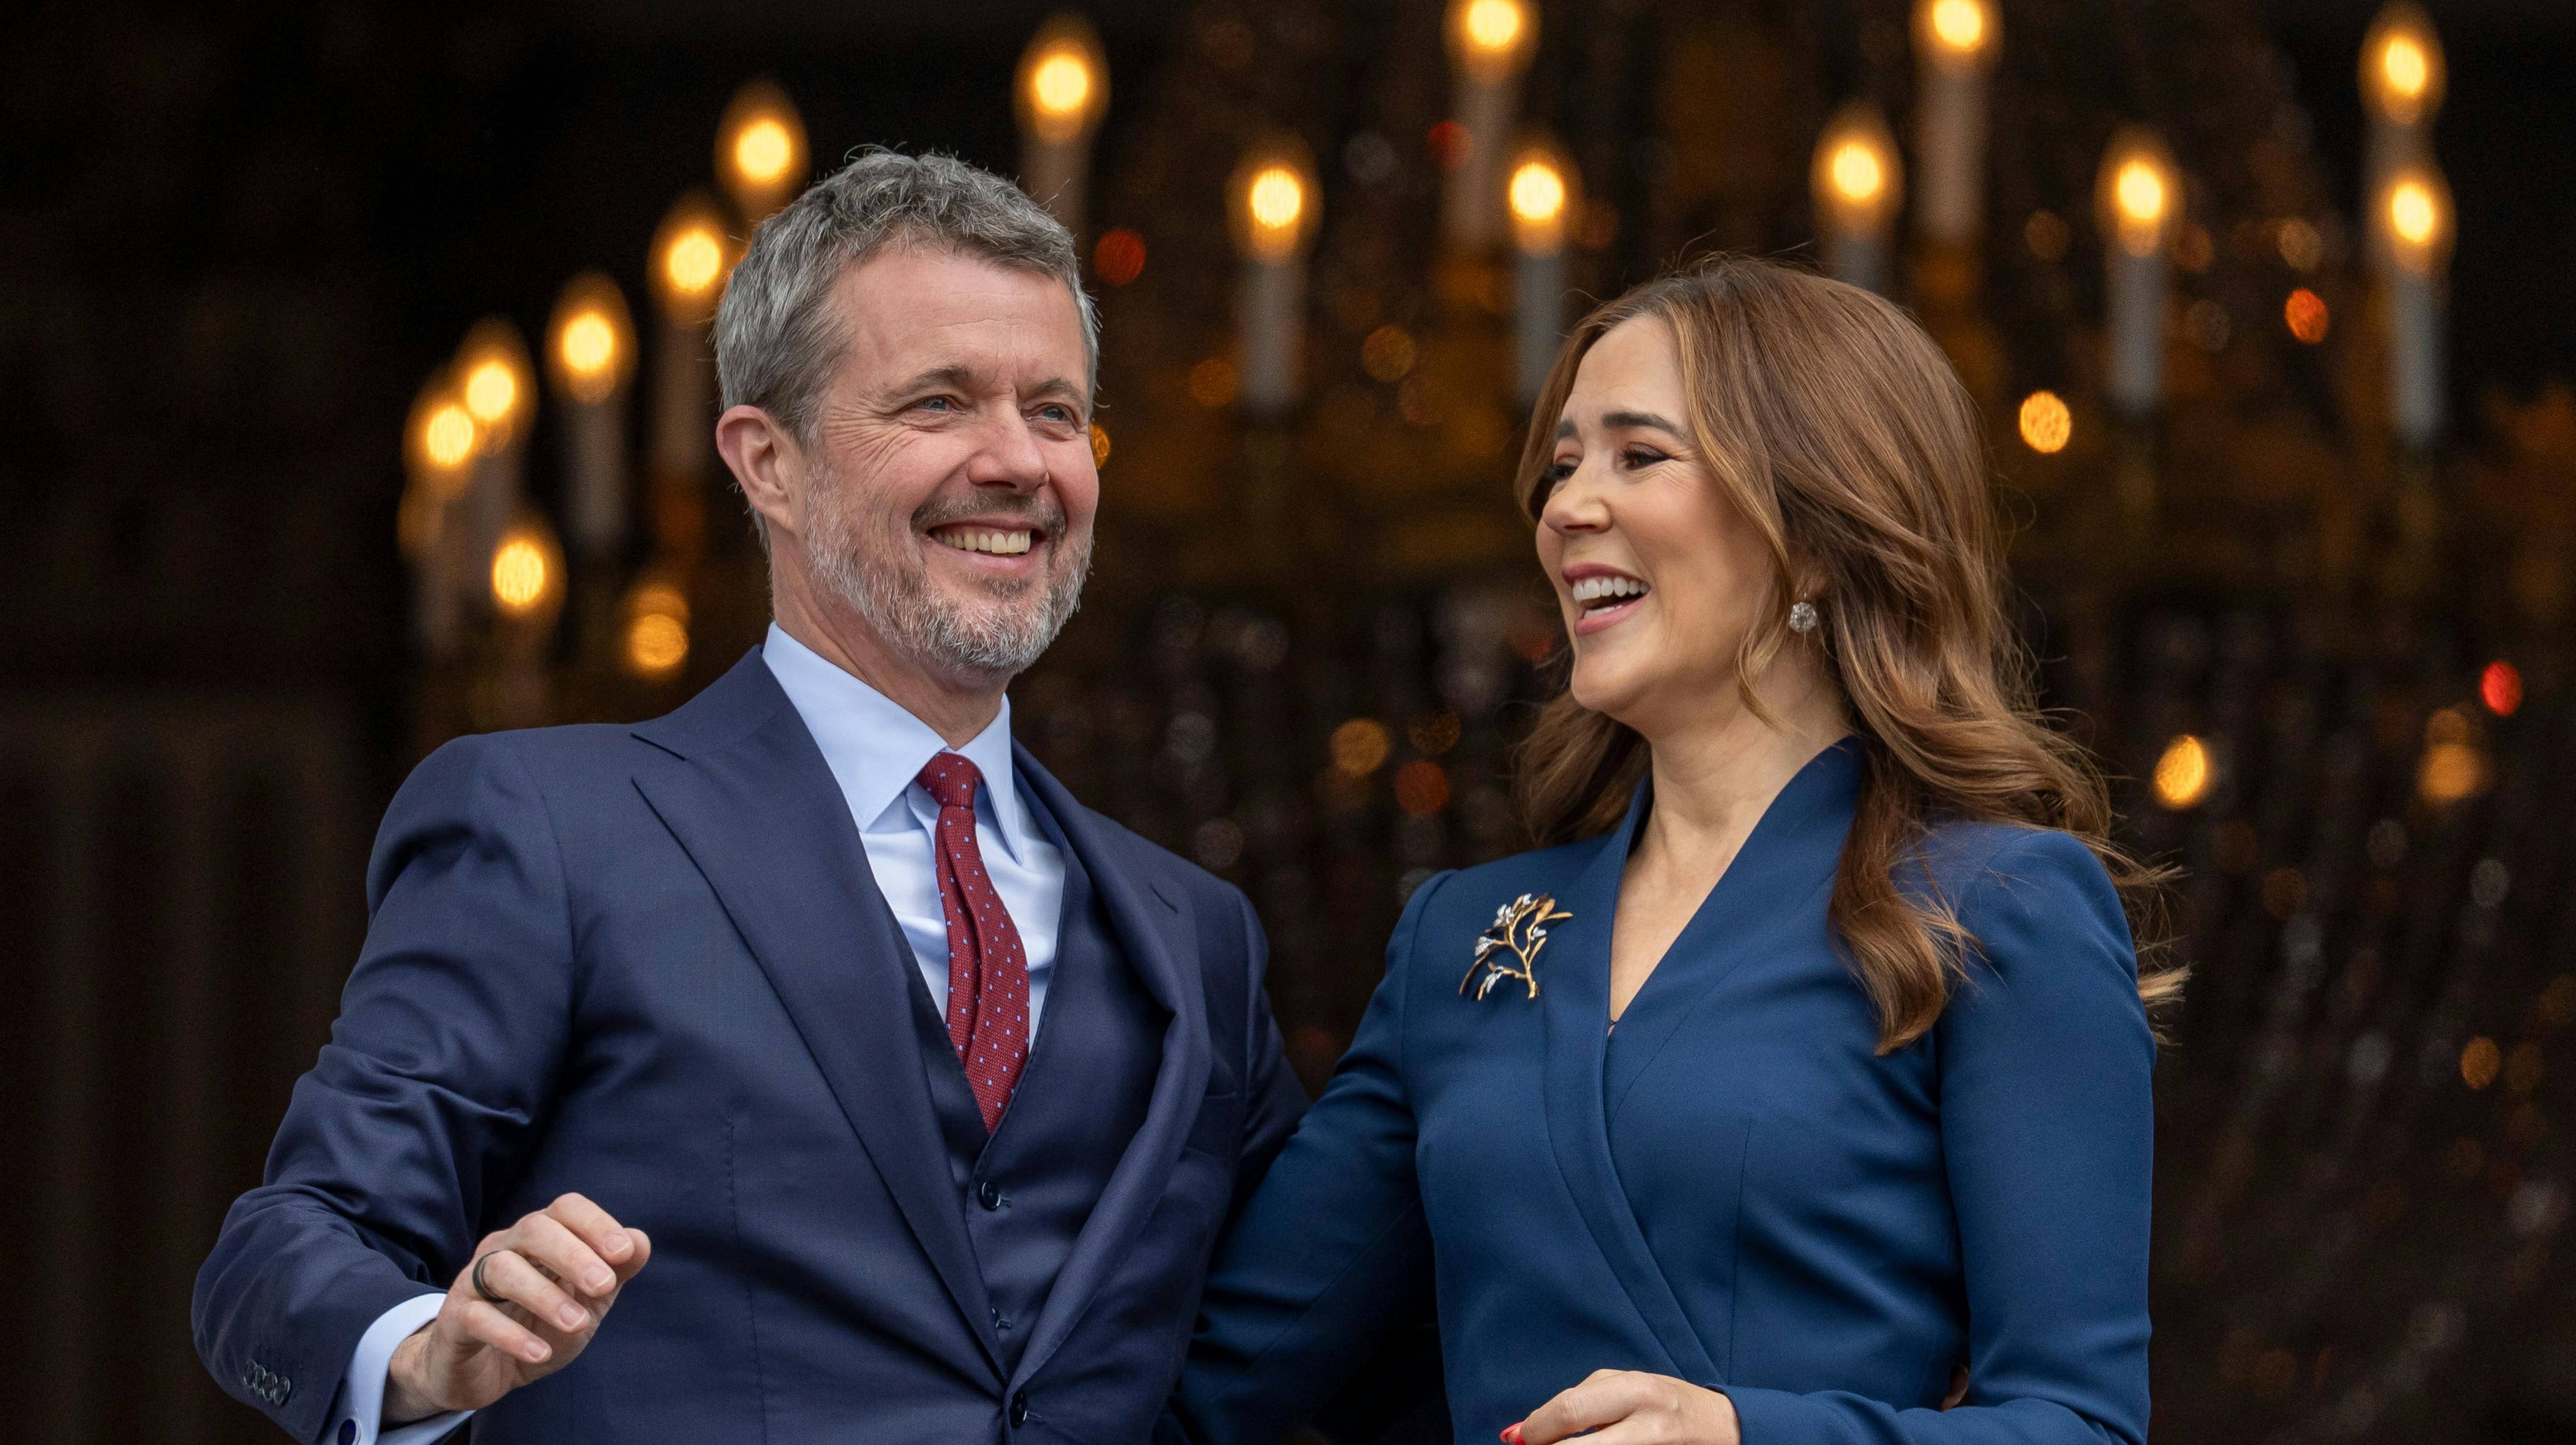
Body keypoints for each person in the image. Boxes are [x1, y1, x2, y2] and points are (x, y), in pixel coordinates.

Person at [193, 149, 1304, 1445]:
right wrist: (428, 1353)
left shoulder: (1196, 935)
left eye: (1056, 412)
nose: (1018, 462)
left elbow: (1331, 1335)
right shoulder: (550, 827)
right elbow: (281, 1252)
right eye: (939, 402)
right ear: (764, 461)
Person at [1164, 255, 2183, 1445]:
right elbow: (1219, 1386)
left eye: (1638, 455)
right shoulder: (1463, 936)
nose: (1564, 509)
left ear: (1812, 533)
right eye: (1561, 466)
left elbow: (2080, 1426)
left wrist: (1748, 1436)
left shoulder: (1995, 904)